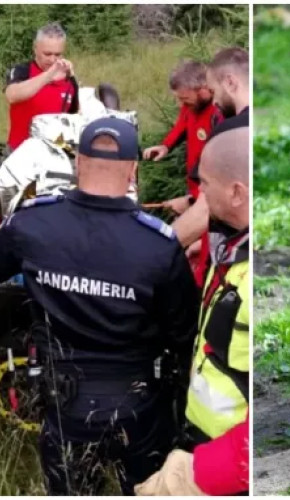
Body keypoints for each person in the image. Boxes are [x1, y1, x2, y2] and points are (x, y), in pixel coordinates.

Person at [0, 117, 199, 495]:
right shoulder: (157, 245)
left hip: (64, 410)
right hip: (139, 410)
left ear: (78, 164)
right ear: (133, 170)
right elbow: (184, 331)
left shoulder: (31, 224)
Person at [135, 126, 249, 496]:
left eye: (204, 188)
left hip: (224, 467)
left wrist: (194, 475)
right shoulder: (231, 248)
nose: (198, 198)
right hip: (200, 438)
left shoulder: (250, 279)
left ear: (236, 192)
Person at [173, 48, 250, 287]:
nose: (214, 101)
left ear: (230, 82)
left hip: (232, 272)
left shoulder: (228, 132)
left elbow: (205, 208)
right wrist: (201, 242)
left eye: (215, 92)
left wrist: (156, 248)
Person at [142, 61, 222, 212]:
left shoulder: (218, 113)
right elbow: (181, 125)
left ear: (203, 89)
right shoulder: (190, 106)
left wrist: (191, 202)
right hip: (193, 186)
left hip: (209, 190)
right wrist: (165, 146)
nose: (181, 104)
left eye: (184, 99)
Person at [4, 22, 79, 153]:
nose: (52, 60)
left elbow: (74, 117)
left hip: (55, 152)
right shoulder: (22, 70)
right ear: (35, 48)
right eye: (47, 54)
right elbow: (12, 95)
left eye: (58, 54)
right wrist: (48, 76)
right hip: (19, 152)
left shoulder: (68, 79)